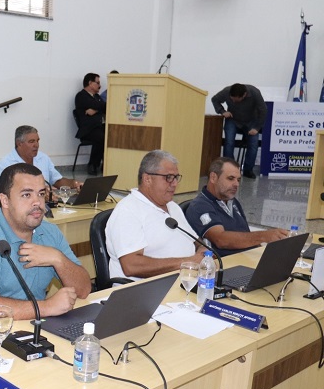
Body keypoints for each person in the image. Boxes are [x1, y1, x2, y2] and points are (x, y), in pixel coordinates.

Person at [0, 163, 91, 327]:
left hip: (30, 326)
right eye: (27, 195)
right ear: (5, 201)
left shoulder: (50, 232)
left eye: (41, 194)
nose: (37, 202)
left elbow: (84, 289)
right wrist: (47, 307)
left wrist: (58, 259)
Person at [105, 150, 206, 281]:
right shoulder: (127, 211)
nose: (175, 183)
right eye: (168, 177)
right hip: (147, 289)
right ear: (147, 179)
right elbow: (131, 266)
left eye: (176, 177)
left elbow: (195, 241)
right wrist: (187, 263)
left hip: (186, 280)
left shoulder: (173, 206)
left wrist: (203, 251)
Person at [185, 157, 288, 257]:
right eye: (230, 178)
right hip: (226, 264)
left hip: (247, 259)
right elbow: (221, 240)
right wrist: (264, 236)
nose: (236, 184)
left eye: (238, 180)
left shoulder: (233, 202)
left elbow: (247, 236)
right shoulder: (200, 205)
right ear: (213, 178)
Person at [0, 125, 82, 193]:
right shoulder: (6, 163)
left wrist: (74, 183)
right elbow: (10, 191)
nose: (36, 145)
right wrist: (41, 190)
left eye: (37, 141)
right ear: (19, 144)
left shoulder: (43, 158)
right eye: (31, 141)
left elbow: (57, 180)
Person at [211, 83, 267, 179]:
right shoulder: (227, 91)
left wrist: (257, 128)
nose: (233, 101)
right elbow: (215, 99)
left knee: (253, 145)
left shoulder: (254, 92)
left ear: (244, 95)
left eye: (236, 100)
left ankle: (248, 170)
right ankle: (229, 169)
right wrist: (222, 111)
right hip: (233, 119)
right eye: (232, 99)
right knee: (229, 142)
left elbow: (263, 110)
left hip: (251, 121)